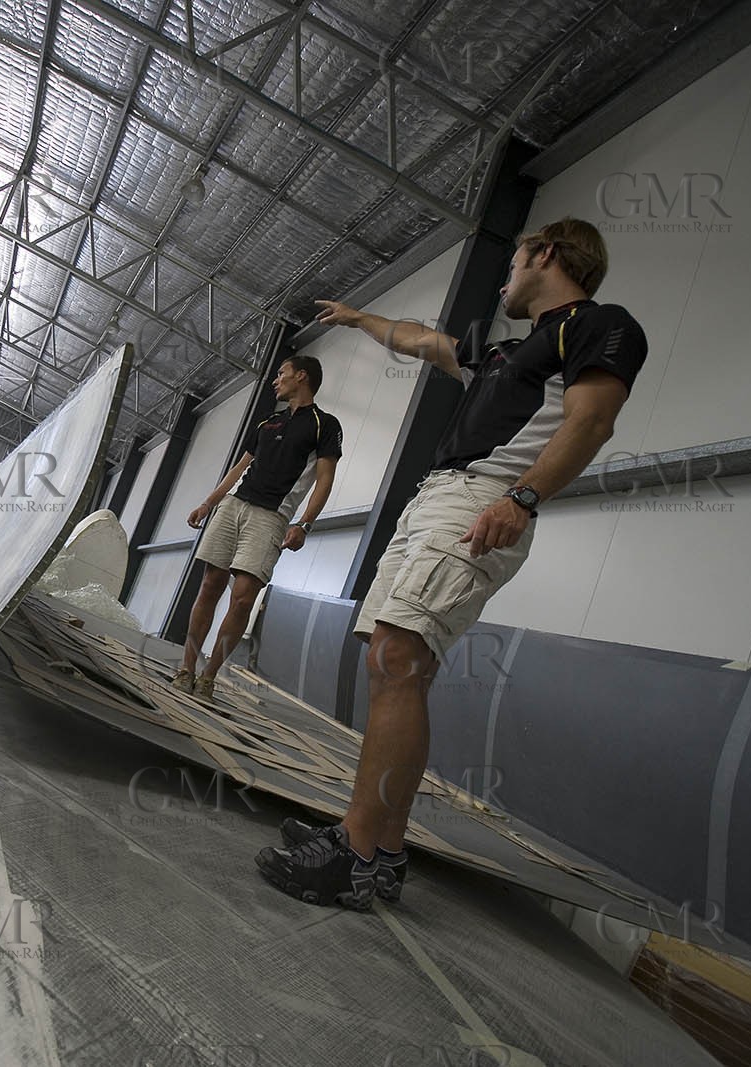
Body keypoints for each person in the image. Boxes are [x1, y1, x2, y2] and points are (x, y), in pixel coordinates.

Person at [255, 218, 648, 910]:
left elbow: (591, 420)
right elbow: (419, 339)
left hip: (483, 499)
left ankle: (354, 852)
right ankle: (382, 848)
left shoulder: (598, 325)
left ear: (547, 255)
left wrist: (522, 499)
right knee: (392, 663)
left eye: (513, 262)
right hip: (432, 500)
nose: (504, 280)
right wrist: (355, 319)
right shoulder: (506, 355)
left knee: (398, 655)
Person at [176, 354, 343, 701]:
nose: (275, 380)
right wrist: (209, 502)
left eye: (281, 374)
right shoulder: (268, 421)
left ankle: (208, 677)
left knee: (241, 600)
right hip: (234, 506)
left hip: (272, 517)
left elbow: (324, 481)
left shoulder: (324, 424)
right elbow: (239, 468)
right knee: (209, 586)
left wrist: (305, 524)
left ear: (302, 376)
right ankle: (186, 668)